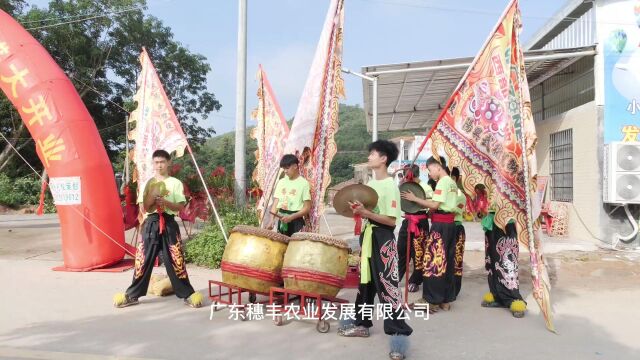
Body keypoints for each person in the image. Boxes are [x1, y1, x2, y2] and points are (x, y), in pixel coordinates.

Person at [338, 140, 412, 360]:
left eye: (373, 154)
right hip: (369, 237)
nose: (369, 157)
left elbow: (390, 221)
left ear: (383, 159)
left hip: (383, 239)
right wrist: (359, 211)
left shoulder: (390, 185)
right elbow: (367, 211)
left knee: (388, 287)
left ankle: (399, 335)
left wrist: (367, 214)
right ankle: (362, 324)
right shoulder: (370, 184)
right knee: (365, 285)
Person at [113, 149, 202, 308]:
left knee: (176, 260)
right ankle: (132, 295)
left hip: (169, 223)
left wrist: (166, 203)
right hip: (151, 224)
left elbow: (181, 207)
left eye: (162, 162)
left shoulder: (175, 183)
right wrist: (152, 202)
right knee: (143, 260)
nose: (159, 165)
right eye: (156, 162)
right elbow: (143, 207)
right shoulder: (148, 182)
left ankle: (187, 294)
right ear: (153, 164)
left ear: (168, 163)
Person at [401, 157, 457, 313]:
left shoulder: (443, 182)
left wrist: (415, 199)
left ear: (438, 167)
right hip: (450, 225)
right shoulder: (452, 183)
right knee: (447, 262)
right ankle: (445, 300)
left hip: (440, 227)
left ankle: (431, 300)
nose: (430, 174)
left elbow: (434, 205)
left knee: (432, 261)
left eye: (430, 170)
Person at [481, 202, 527, 318]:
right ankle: (497, 296)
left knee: (508, 263)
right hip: (492, 223)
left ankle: (513, 299)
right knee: (491, 263)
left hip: (506, 222)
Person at [397, 164, 433, 293]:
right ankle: (396, 278)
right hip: (407, 220)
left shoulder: (426, 188)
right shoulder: (404, 186)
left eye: (407, 175)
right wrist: (400, 185)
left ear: (412, 174)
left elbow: (432, 207)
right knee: (401, 249)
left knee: (418, 252)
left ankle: (415, 281)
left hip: (420, 221)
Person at [267, 154, 311, 236]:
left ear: (295, 166)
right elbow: (276, 202)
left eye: (287, 168)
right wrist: (271, 220)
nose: (285, 171)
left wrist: (292, 217)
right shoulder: (281, 182)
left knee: (294, 247)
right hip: (282, 220)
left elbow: (307, 208)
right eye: (284, 169)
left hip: (296, 221)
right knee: (282, 246)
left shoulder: (304, 183)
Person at [450, 167, 466, 298]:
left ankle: (454, 290)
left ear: (454, 178)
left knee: (456, 260)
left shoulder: (460, 196)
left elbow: (454, 212)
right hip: (446, 227)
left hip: (456, 228)